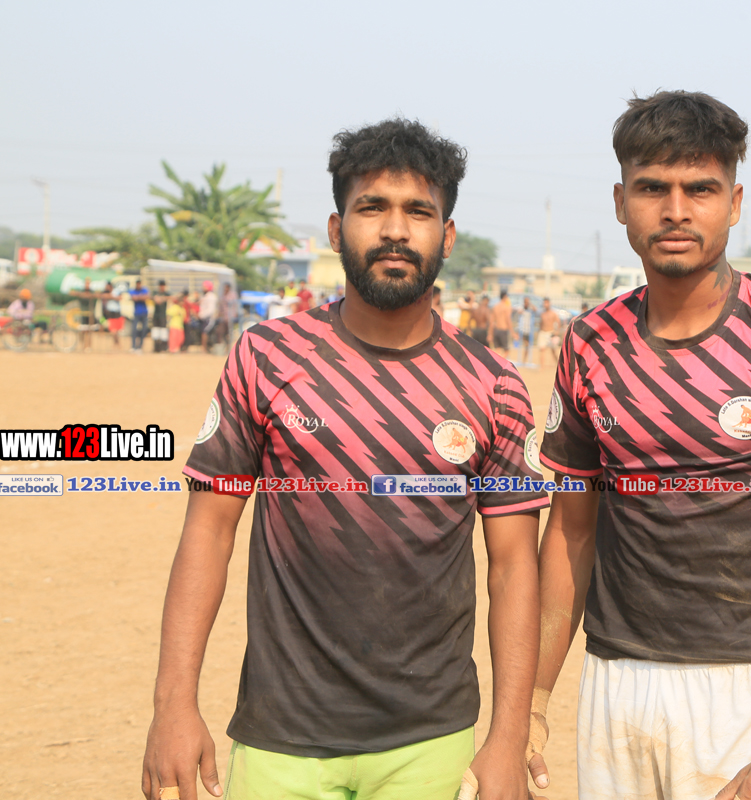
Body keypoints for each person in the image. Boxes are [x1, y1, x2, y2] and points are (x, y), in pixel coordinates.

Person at [141, 118, 548, 800]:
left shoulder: (494, 385)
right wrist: (173, 706)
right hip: (280, 735)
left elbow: (513, 567)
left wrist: (507, 738)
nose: (395, 230)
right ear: (336, 230)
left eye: (418, 211)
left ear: (447, 236)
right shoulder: (266, 358)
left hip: (431, 741)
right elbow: (208, 531)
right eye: (372, 208)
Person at [526, 91, 751, 800]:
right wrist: (532, 705)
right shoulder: (590, 343)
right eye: (651, 188)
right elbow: (571, 531)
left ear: (735, 202)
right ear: (620, 201)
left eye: (700, 189)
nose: (676, 210)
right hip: (616, 682)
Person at [536, 297, 561, 369]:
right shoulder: (542, 313)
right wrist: (539, 331)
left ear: (549, 303)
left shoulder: (553, 313)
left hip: (551, 333)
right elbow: (541, 323)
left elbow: (558, 322)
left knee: (553, 351)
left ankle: (558, 365)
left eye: (546, 303)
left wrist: (557, 331)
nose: (545, 304)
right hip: (542, 332)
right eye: (544, 303)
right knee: (542, 349)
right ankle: (542, 366)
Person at [101, 281, 125, 348]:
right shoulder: (105, 292)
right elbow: (104, 296)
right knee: (112, 330)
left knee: (116, 330)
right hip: (109, 313)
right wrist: (113, 297)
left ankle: (117, 343)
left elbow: (120, 298)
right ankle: (116, 343)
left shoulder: (116, 291)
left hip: (116, 312)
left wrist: (111, 297)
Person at [491, 288, 513, 358]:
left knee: (498, 350)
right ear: (505, 297)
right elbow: (508, 320)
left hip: (496, 330)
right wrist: (512, 332)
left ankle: (498, 361)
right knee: (506, 351)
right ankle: (501, 362)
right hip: (503, 330)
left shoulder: (495, 307)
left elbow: (492, 321)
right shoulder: (507, 307)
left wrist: (490, 333)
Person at [151, 280, 171, 353]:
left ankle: (163, 348)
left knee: (163, 332)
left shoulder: (166, 293)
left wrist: (162, 298)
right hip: (156, 315)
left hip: (163, 316)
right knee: (155, 332)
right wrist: (162, 298)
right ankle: (156, 347)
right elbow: (156, 300)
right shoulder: (155, 293)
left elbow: (170, 297)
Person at [130, 279, 150, 352]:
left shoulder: (145, 290)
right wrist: (141, 297)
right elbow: (133, 298)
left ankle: (140, 347)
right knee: (134, 330)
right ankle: (133, 346)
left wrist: (138, 297)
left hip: (144, 313)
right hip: (136, 313)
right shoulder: (133, 290)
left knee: (144, 330)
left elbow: (146, 297)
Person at [515, 296, 536, 367]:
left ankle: (524, 360)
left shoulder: (530, 309)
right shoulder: (521, 307)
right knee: (522, 343)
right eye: (525, 302)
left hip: (528, 330)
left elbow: (535, 310)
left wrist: (530, 304)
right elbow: (519, 311)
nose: (526, 303)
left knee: (527, 345)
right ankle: (521, 360)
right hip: (522, 329)